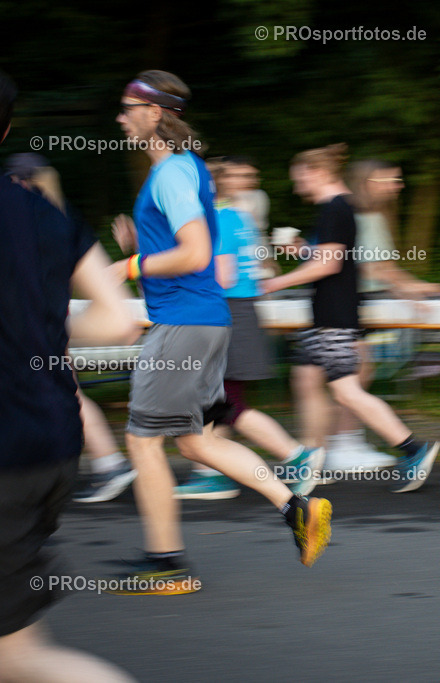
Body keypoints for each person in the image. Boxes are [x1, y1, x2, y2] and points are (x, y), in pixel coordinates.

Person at [110, 70, 332, 591]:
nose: (119, 118)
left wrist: (129, 268)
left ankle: (166, 566)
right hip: (206, 320)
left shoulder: (170, 174)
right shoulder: (187, 170)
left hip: (184, 325)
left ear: (156, 113)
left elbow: (195, 253)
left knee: (143, 443)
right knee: (193, 442)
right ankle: (297, 509)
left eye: (127, 108)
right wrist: (137, 250)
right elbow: (187, 251)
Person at [0, 69, 136, 681]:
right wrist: (37, 325)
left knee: (20, 659)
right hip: (49, 445)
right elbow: (116, 321)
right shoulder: (47, 215)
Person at [262, 144, 439, 493]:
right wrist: (300, 251)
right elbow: (332, 256)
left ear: (318, 173)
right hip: (325, 314)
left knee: (346, 392)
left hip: (334, 315)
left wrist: (274, 281)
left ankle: (414, 451)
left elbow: (330, 264)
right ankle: (311, 462)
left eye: (300, 179)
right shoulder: (340, 207)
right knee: (305, 380)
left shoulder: (335, 207)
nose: (298, 187)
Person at [173, 157, 325, 500]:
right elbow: (253, 268)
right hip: (240, 313)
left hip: (227, 314)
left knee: (227, 402)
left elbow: (222, 277)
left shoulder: (217, 219)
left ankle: (297, 456)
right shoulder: (239, 216)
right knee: (221, 401)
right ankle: (214, 473)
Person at [4, 153, 138, 503]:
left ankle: (109, 463)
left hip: (30, 342)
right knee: (69, 392)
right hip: (50, 332)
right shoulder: (62, 221)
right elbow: (116, 315)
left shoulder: (23, 223)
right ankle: (109, 462)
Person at [318, 159, 440, 473]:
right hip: (345, 305)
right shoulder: (362, 215)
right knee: (350, 379)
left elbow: (382, 266)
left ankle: (346, 443)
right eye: (389, 179)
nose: (397, 185)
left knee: (355, 376)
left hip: (351, 304)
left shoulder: (370, 214)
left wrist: (413, 285)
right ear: (368, 182)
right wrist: (410, 290)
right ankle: (344, 446)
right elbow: (375, 268)